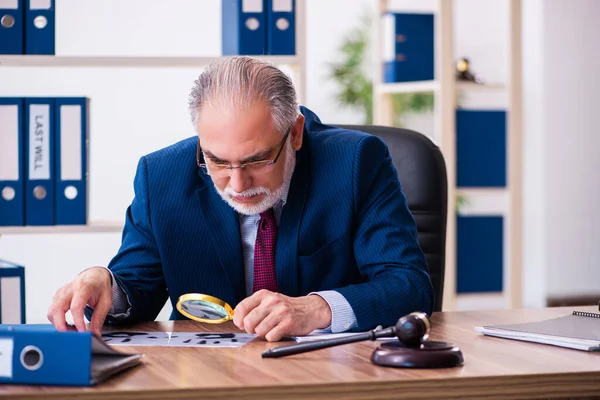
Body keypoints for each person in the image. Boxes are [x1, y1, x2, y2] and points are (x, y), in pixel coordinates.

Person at [47, 56, 435, 342]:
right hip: (208, 380)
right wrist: (105, 283)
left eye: (257, 160)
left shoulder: (355, 163)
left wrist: (316, 308)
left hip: (328, 375)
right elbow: (138, 289)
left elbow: (409, 285)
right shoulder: (161, 176)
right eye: (216, 160)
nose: (237, 183)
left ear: (295, 133)